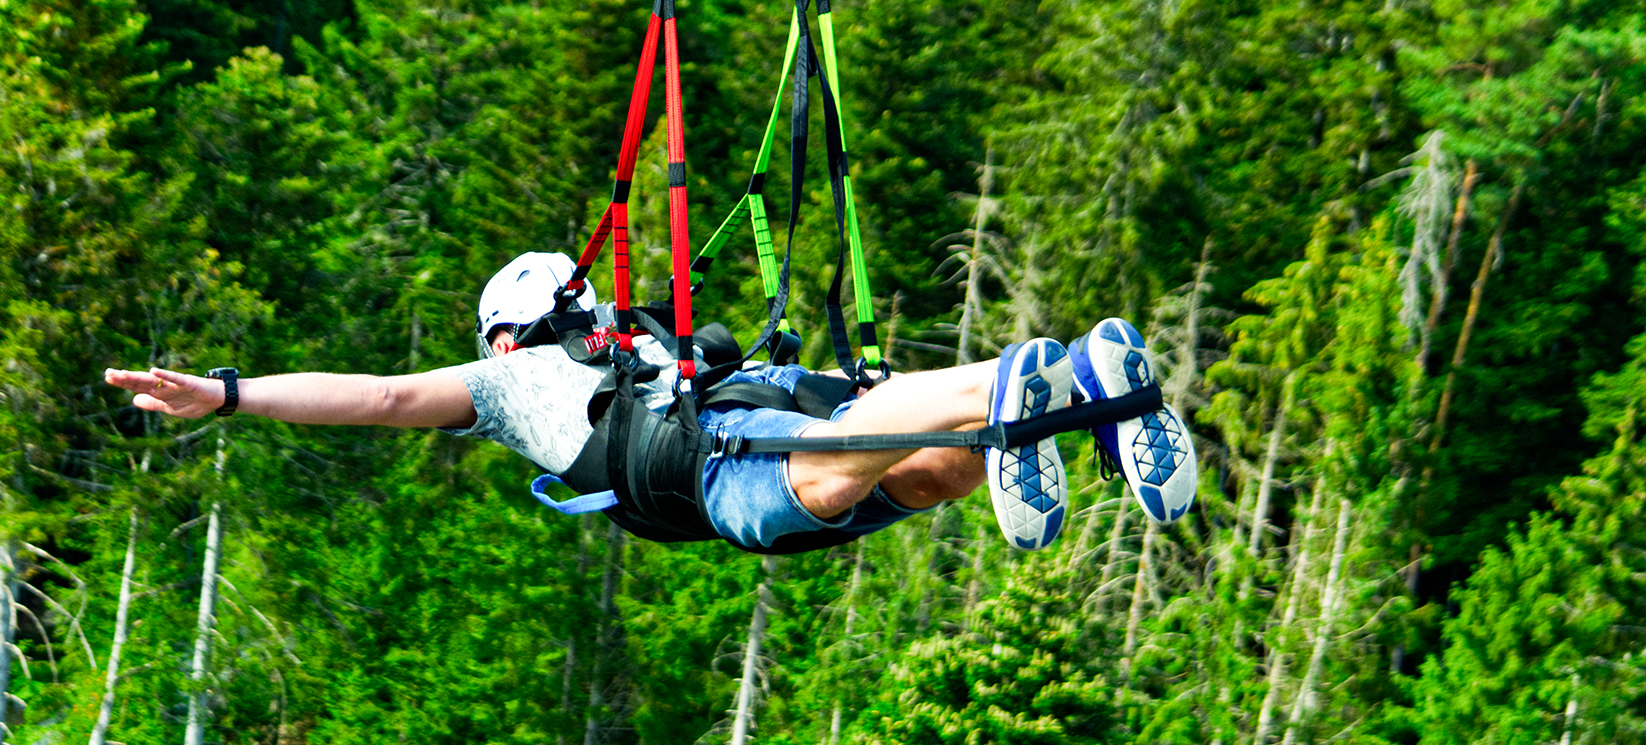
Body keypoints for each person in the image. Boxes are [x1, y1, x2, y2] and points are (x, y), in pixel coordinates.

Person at [106, 252, 1197, 553]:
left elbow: (385, 395)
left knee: (809, 482)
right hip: (725, 428)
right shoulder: (634, 343)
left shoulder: (502, 381)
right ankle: (1080, 387)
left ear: (505, 326)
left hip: (710, 462)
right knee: (917, 472)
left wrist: (230, 393)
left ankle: (1009, 386)